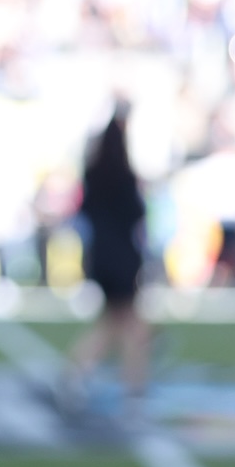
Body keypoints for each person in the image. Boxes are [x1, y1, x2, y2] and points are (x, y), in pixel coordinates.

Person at [64, 102, 151, 414]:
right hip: (123, 258)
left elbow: (85, 211)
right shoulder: (125, 177)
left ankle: (77, 375)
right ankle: (132, 388)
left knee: (115, 323)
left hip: (100, 256)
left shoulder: (93, 173)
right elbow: (136, 215)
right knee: (129, 326)